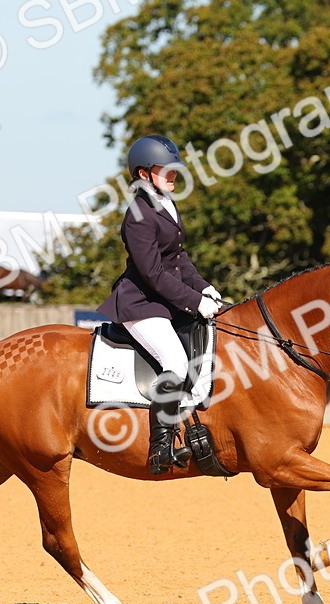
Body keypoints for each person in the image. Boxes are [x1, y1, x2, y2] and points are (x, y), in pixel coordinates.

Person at [98, 135, 224, 475]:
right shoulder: (138, 214)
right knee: (176, 361)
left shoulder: (166, 204)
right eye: (166, 170)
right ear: (143, 174)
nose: (173, 175)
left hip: (164, 302)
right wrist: (194, 301)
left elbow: (179, 260)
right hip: (140, 304)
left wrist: (204, 288)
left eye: (175, 169)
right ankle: (160, 448)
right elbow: (153, 273)